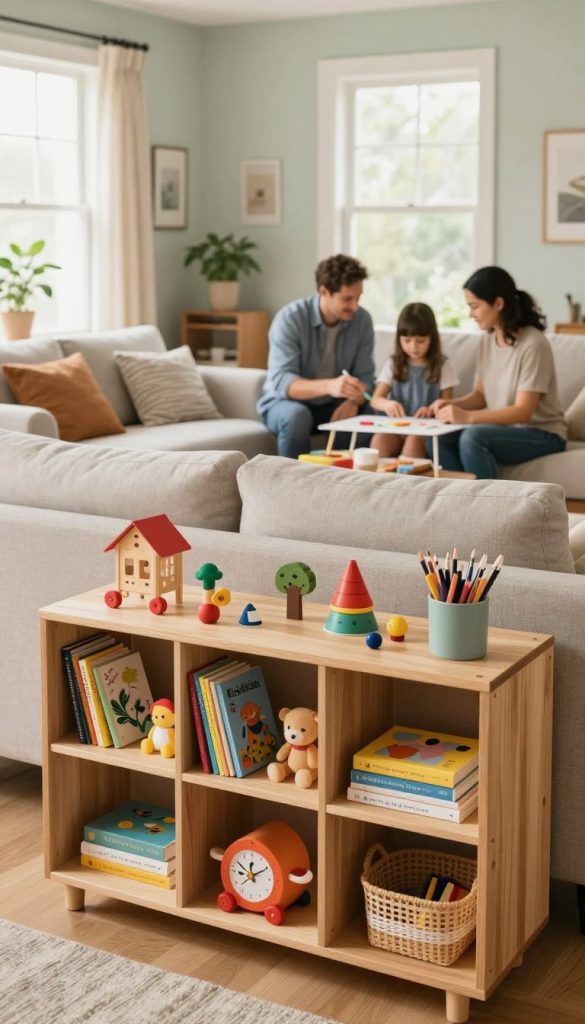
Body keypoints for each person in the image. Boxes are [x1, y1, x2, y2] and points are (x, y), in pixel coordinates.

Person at [431, 266, 567, 478]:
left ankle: (490, 507)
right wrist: (451, 405)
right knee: (436, 438)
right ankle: (463, 501)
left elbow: (523, 411)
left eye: (474, 306)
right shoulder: (487, 340)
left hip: (543, 433)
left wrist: (467, 417)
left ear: (498, 304)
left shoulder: (533, 344)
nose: (470, 314)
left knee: (473, 437)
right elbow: (479, 396)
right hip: (504, 430)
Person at [257, 254, 375, 458]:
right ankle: (291, 486)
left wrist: (353, 401)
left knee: (376, 416)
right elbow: (283, 382)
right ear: (324, 292)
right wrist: (330, 386)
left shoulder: (362, 320)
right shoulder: (290, 319)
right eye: (347, 299)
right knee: (297, 416)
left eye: (358, 297)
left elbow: (366, 378)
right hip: (284, 403)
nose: (355, 306)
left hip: (334, 405)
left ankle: (341, 482)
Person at [369, 302, 458, 459]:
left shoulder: (442, 365)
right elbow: (375, 399)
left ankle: (405, 479)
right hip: (397, 427)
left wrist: (431, 410)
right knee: (379, 442)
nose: (414, 347)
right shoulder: (394, 363)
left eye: (421, 341)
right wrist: (388, 404)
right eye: (407, 340)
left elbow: (448, 404)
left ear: (432, 337)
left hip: (426, 430)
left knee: (413, 442)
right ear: (399, 339)